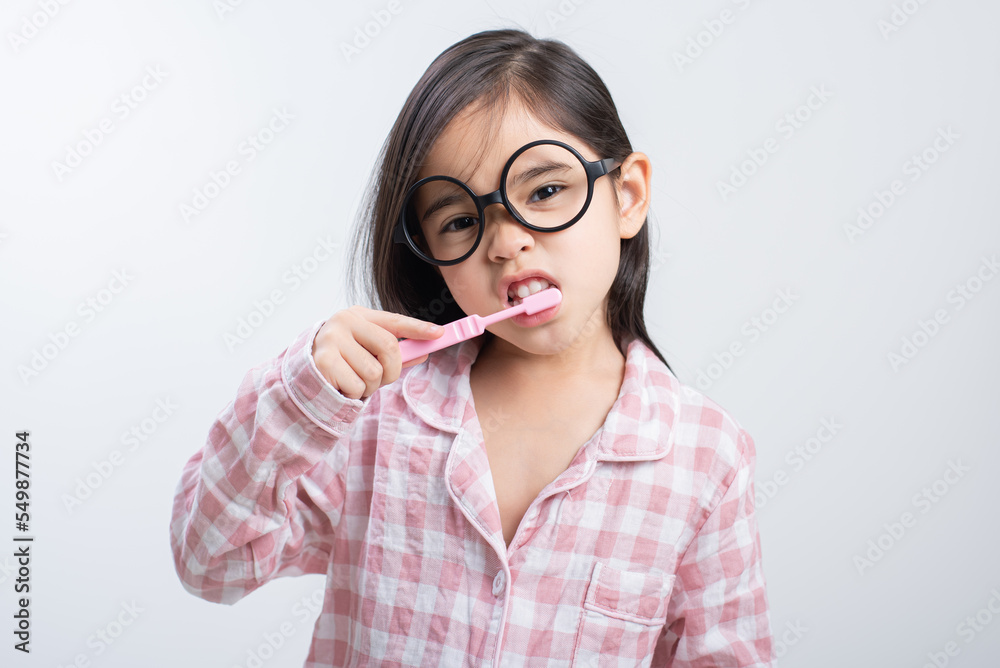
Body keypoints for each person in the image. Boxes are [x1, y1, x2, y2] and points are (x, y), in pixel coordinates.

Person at [170, 28, 775, 667]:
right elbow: (211, 563)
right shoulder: (371, 415)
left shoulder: (707, 459)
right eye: (460, 220)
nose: (507, 241)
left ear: (627, 197)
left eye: (544, 191)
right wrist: (299, 398)